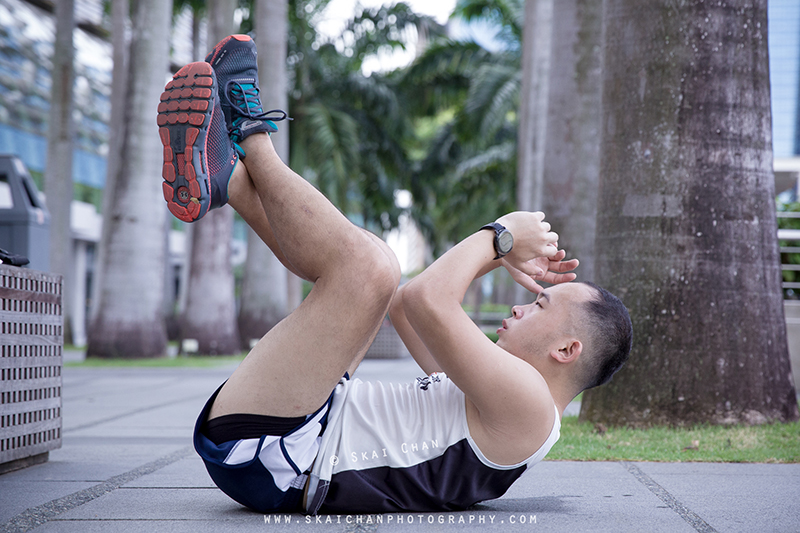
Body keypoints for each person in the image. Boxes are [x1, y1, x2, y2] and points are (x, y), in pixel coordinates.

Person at [157, 35, 633, 515]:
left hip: (283, 456)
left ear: (567, 350)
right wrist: (495, 254)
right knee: (372, 270)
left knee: (370, 266)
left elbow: (429, 297)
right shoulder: (498, 400)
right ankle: (231, 182)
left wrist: (502, 234)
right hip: (294, 430)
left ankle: (251, 137)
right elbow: (407, 306)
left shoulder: (530, 407)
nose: (520, 305)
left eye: (541, 305)